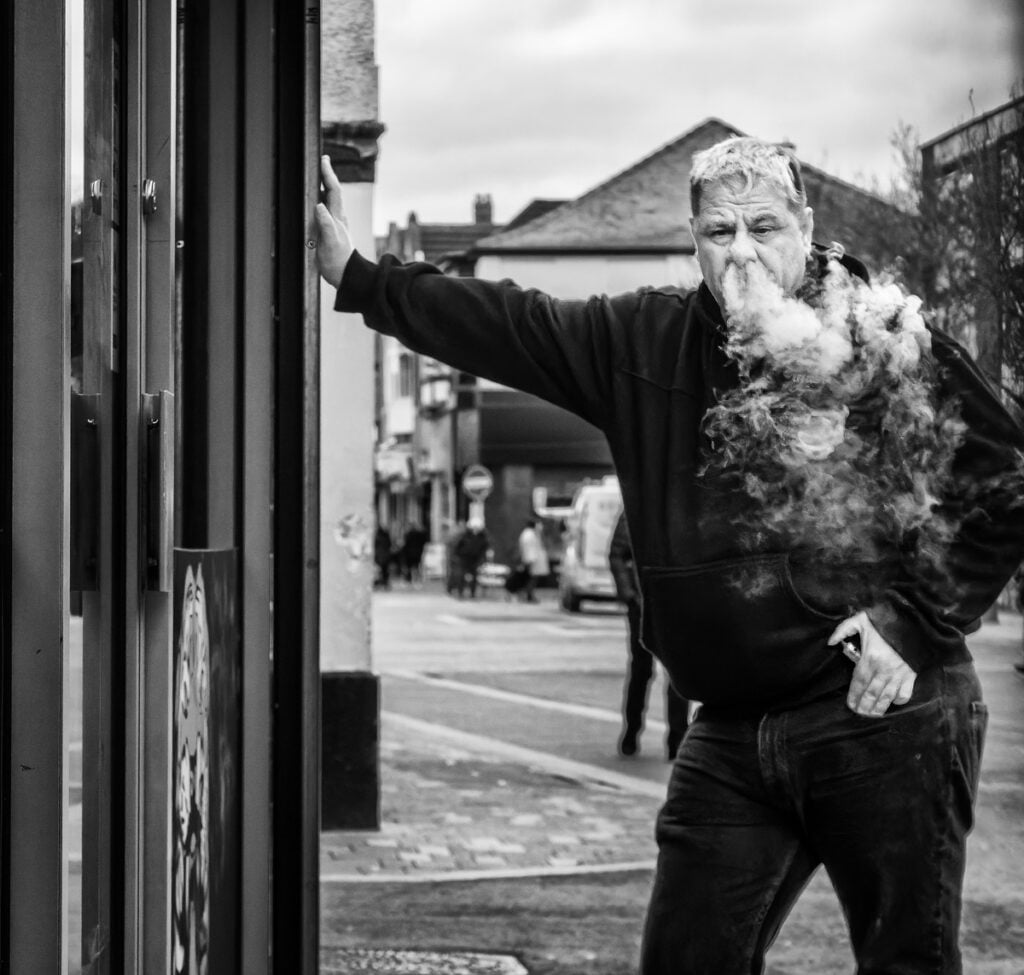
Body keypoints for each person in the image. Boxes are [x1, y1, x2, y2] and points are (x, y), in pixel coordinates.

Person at [315, 138, 1024, 972]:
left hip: (881, 713)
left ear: (805, 224)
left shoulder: (884, 336)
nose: (744, 250)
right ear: (692, 239)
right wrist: (361, 278)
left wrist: (908, 624)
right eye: (720, 231)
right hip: (730, 728)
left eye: (765, 226)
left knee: (905, 961)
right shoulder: (644, 341)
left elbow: (1007, 484)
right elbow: (512, 322)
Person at [608, 510, 690, 760]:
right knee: (641, 670)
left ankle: (676, 740)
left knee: (677, 674)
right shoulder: (635, 507)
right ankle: (632, 732)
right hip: (642, 605)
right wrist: (630, 595)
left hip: (675, 603)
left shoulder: (680, 506)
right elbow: (617, 555)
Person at [452, 516, 490, 599]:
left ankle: (472, 593)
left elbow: (484, 549)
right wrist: (457, 555)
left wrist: (483, 558)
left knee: (474, 577)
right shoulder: (465, 536)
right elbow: (458, 546)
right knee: (461, 576)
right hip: (464, 558)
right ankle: (460, 592)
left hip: (475, 559)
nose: (475, 530)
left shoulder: (483, 538)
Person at [516, 518, 549, 602]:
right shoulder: (529, 534)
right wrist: (529, 559)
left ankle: (528, 594)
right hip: (531, 559)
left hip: (532, 559)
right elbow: (528, 548)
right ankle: (527, 595)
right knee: (530, 578)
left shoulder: (531, 534)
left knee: (530, 577)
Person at [400, 522, 429, 587]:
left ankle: (409, 580)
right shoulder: (419, 535)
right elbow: (424, 541)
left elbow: (405, 545)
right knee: (416, 567)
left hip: (409, 554)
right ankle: (416, 581)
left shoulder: (408, 535)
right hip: (417, 553)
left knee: (409, 567)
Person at [373, 524, 393, 591]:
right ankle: (385, 584)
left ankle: (379, 584)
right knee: (385, 571)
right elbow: (390, 545)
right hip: (386, 556)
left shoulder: (376, 537)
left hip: (379, 556)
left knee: (379, 571)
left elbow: (375, 547)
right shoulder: (386, 536)